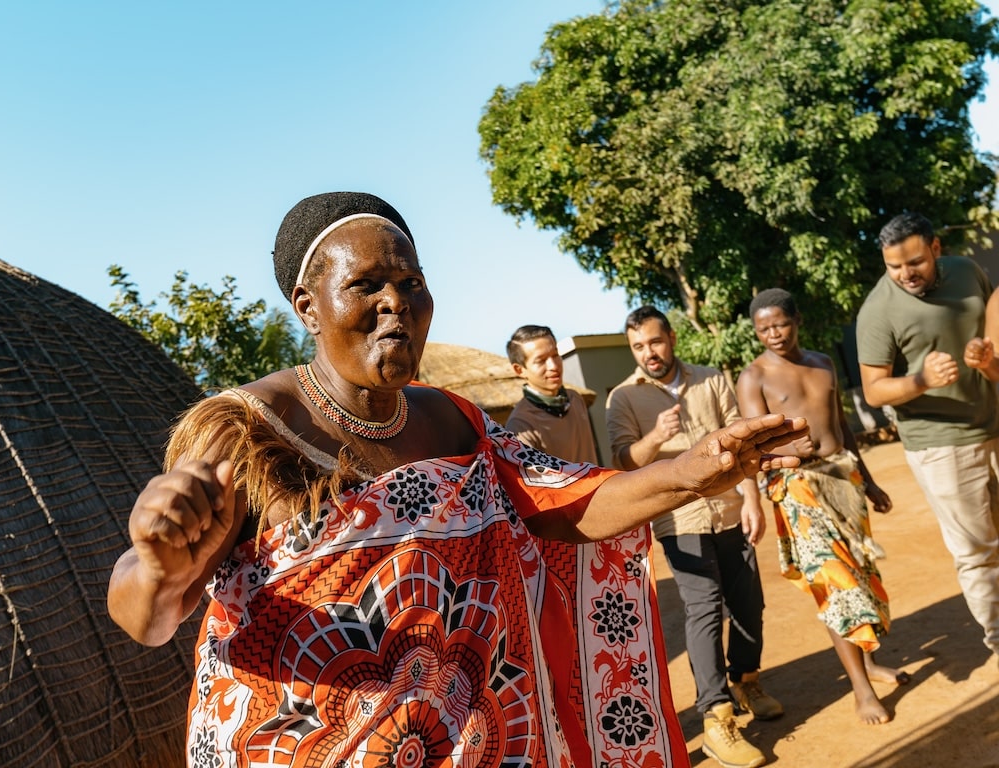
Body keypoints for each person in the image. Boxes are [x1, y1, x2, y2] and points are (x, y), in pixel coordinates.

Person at [106, 192, 807, 767]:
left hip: (472, 739)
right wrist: (157, 566)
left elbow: (561, 507)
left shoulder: (452, 421)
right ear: (306, 306)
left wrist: (695, 470)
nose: (396, 303)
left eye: (411, 284)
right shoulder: (247, 433)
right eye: (366, 285)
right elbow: (150, 616)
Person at [605, 305, 781, 768]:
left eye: (655, 342)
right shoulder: (622, 398)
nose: (649, 353)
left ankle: (747, 680)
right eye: (639, 347)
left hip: (729, 510)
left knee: (749, 604)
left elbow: (742, 442)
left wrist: (753, 500)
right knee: (704, 610)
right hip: (678, 522)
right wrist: (656, 439)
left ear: (672, 338)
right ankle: (715, 718)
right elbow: (624, 462)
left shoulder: (711, 378)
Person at [737, 288, 908, 725]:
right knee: (836, 587)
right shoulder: (753, 377)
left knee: (861, 579)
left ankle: (868, 663)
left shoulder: (823, 363)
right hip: (798, 490)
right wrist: (758, 493)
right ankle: (862, 690)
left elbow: (843, 428)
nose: (773, 334)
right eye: (763, 329)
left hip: (844, 480)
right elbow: (755, 449)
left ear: (797, 320)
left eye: (780, 324)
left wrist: (867, 481)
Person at [856, 211, 999, 668]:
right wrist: (920, 379)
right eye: (894, 266)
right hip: (943, 447)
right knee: (978, 553)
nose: (905, 275)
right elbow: (875, 389)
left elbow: (990, 327)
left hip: (996, 422)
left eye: (914, 262)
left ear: (936, 249)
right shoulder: (877, 312)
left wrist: (984, 352)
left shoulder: (966, 271)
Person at [505, 324, 598, 464]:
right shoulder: (521, 425)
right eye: (541, 361)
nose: (553, 366)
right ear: (519, 370)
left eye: (555, 355)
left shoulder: (575, 399)